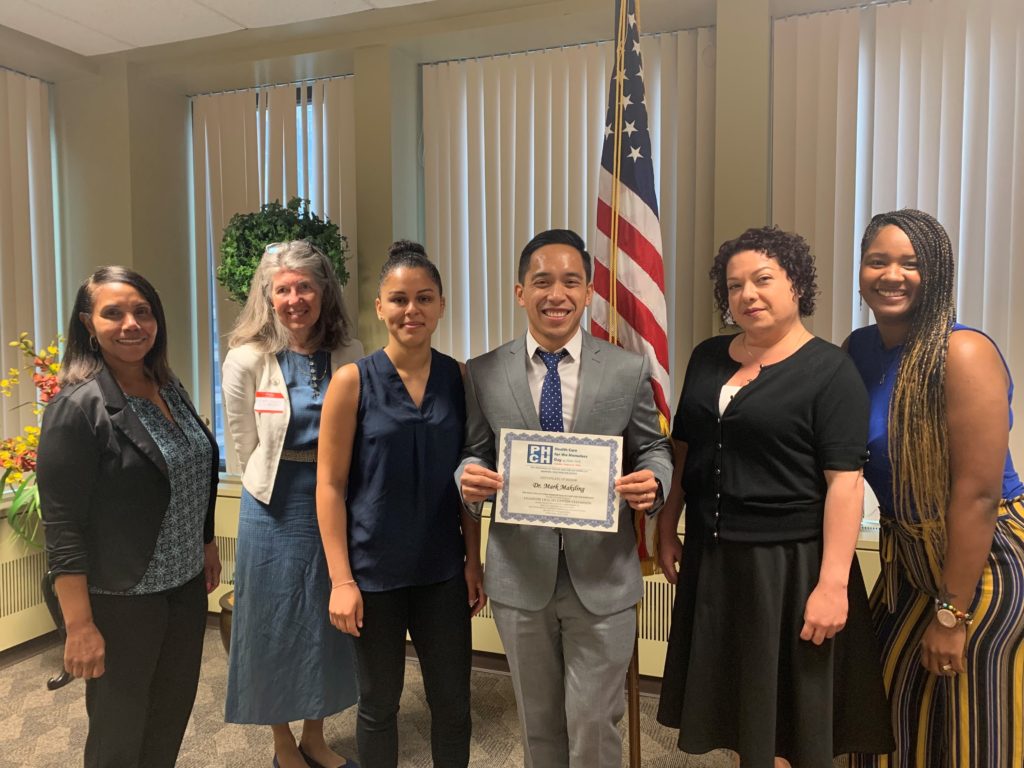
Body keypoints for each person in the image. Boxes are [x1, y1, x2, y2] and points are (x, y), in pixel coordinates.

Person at [655, 226, 894, 768]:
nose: (748, 295)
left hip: (790, 566)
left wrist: (833, 585)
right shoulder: (709, 356)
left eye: (763, 280)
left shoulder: (830, 370)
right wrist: (667, 527)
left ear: (796, 286)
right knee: (743, 712)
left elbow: (845, 483)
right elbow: (685, 447)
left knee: (790, 723)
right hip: (715, 557)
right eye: (735, 285)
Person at [458, 228, 673, 768]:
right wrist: (466, 476)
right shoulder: (484, 371)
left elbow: (654, 448)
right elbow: (473, 452)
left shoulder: (627, 368)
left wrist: (654, 482)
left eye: (570, 282)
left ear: (588, 291)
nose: (557, 294)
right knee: (537, 719)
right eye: (542, 281)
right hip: (519, 576)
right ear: (520, 292)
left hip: (603, 576)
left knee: (594, 720)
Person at [846, 209, 1024, 768]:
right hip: (908, 559)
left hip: (984, 558)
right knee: (884, 711)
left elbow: (977, 496)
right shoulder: (859, 349)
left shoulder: (963, 352)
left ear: (938, 273)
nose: (891, 274)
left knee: (973, 727)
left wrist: (953, 614)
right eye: (878, 260)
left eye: (911, 263)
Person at [37, 266, 221, 768]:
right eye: (113, 313)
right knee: (119, 732)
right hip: (120, 600)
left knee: (169, 716)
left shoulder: (169, 385)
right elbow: (63, 527)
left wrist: (205, 543)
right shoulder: (76, 408)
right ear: (88, 324)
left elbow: (192, 469)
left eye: (142, 312)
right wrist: (79, 627)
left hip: (183, 590)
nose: (131, 324)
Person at [317, 240, 484, 768]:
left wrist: (473, 559)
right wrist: (341, 580)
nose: (412, 310)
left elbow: (469, 478)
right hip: (373, 575)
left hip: (441, 572)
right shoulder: (351, 381)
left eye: (424, 298)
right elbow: (329, 486)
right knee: (378, 707)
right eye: (399, 299)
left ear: (440, 305)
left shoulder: (459, 379)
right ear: (380, 307)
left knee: (453, 705)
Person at [222, 240, 361, 768]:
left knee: (326, 622)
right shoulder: (246, 358)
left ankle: (315, 734)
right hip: (272, 505)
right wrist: (268, 487)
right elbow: (242, 445)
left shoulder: (349, 352)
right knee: (272, 624)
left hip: (333, 500)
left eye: (305, 286)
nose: (295, 298)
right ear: (268, 296)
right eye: (283, 289)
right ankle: (282, 739)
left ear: (324, 290)